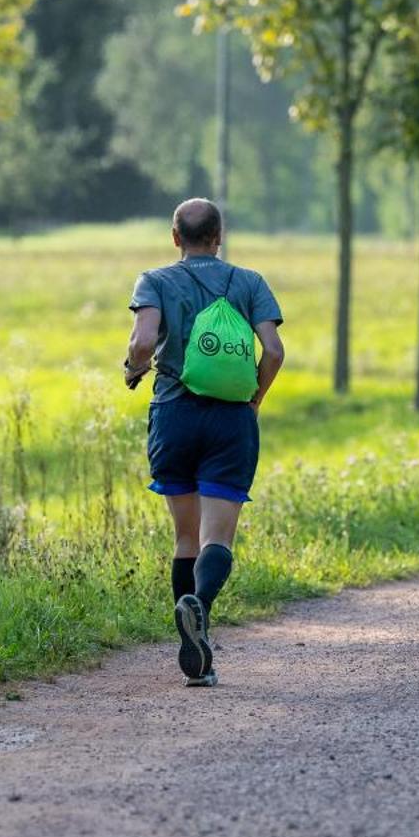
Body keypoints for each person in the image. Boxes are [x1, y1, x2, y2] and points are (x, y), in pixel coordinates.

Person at [123, 197, 285, 686]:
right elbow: (274, 350)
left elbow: (143, 342)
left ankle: (191, 648)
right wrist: (254, 398)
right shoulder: (250, 282)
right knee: (219, 538)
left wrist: (133, 369)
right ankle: (200, 608)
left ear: (175, 237)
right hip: (230, 421)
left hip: (174, 414)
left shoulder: (154, 281)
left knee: (185, 537)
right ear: (220, 235)